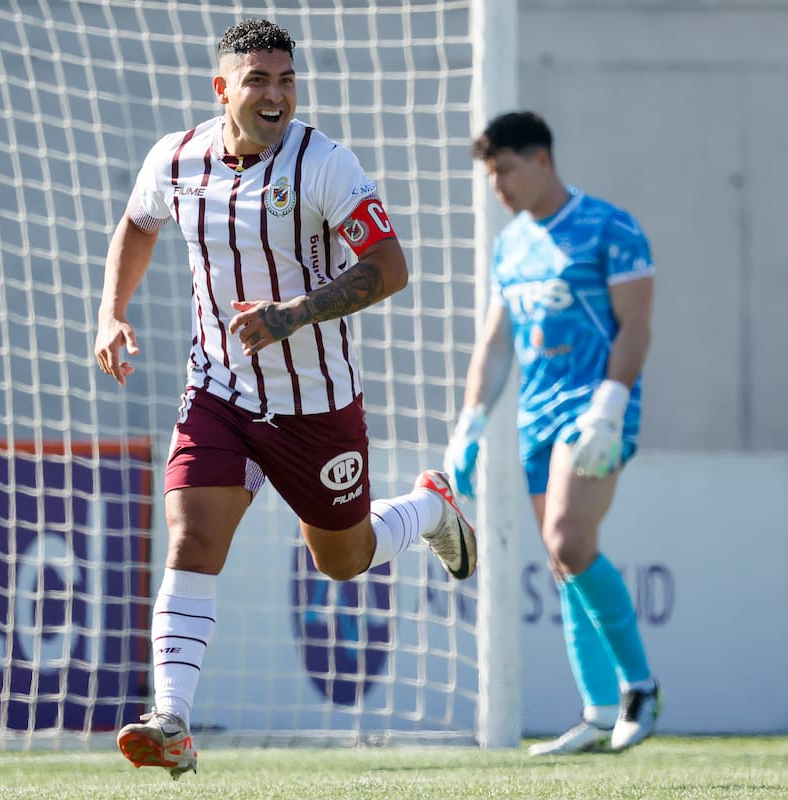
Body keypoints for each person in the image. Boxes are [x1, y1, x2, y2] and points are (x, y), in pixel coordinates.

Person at [94, 19, 477, 780]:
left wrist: (293, 314)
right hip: (220, 389)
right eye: (259, 81)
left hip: (316, 402)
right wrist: (111, 311)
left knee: (342, 559)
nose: (276, 96)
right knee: (191, 538)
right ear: (223, 89)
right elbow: (137, 223)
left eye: (286, 80)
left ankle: (430, 508)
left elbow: (390, 266)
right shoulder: (176, 158)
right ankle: (171, 718)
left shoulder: (325, 163)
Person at [444, 110, 660, 755]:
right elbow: (495, 343)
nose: (497, 186)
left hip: (593, 412)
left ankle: (640, 688)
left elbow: (637, 325)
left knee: (569, 537)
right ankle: (596, 714)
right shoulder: (510, 245)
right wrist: (471, 425)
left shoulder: (609, 227)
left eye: (505, 170)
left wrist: (610, 406)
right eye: (489, 175)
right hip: (536, 420)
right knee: (563, 562)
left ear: (541, 160)